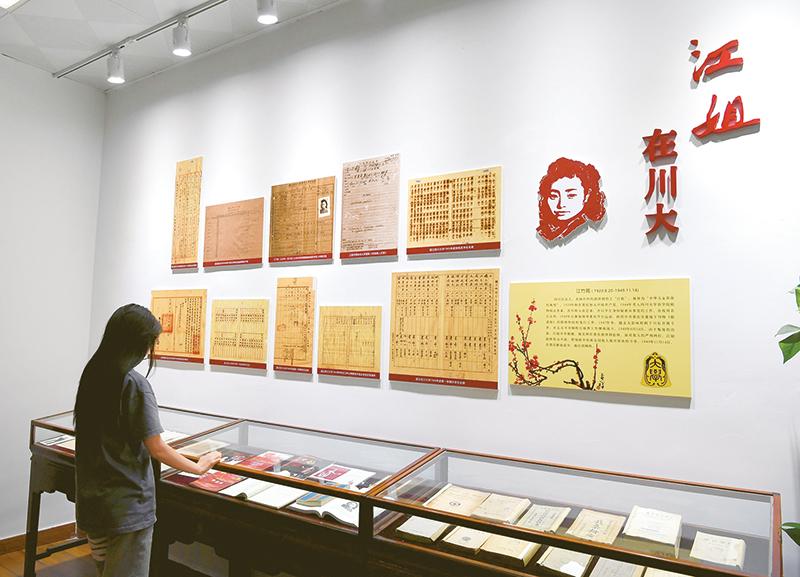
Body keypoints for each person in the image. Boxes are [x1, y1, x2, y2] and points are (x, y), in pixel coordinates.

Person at [74, 304, 221, 577]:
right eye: (151, 342)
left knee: (105, 571)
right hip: (126, 507)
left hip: (93, 503)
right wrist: (198, 467)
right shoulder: (133, 384)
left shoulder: (93, 374)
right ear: (139, 342)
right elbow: (157, 448)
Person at [536, 157, 606, 242]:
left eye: (571, 195)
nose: (560, 205)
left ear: (586, 196)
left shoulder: (588, 231)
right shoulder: (547, 230)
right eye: (553, 196)